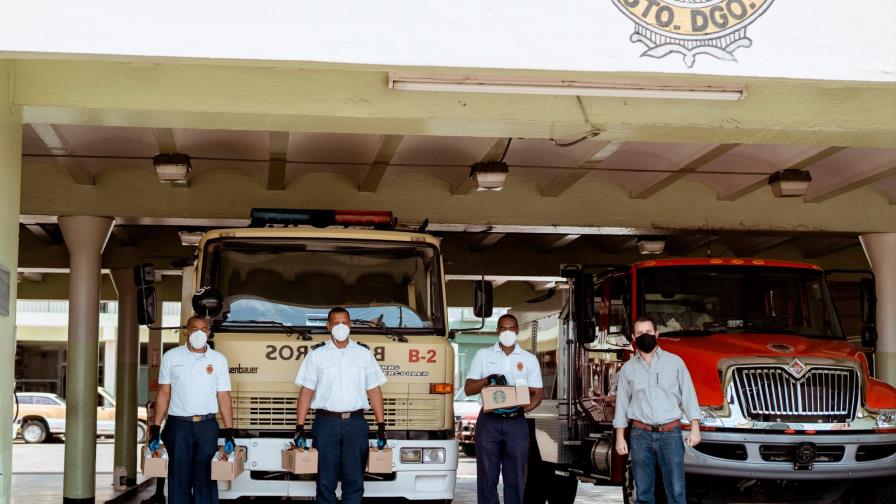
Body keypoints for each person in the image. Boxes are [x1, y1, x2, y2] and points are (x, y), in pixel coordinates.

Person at [293, 307, 388, 504]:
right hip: (326, 423)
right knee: (325, 481)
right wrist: (299, 428)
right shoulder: (317, 354)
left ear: (351, 325)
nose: (341, 327)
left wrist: (381, 426)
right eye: (336, 323)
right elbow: (306, 392)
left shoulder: (363, 353)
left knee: (354, 480)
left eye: (344, 322)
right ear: (328, 326)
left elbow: (374, 391)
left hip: (356, 423)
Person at [147, 315, 235, 504]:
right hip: (178, 426)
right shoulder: (171, 357)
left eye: (204, 329)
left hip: (207, 426)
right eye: (194, 328)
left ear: (209, 333)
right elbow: (163, 393)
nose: (199, 333)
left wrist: (229, 432)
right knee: (178, 477)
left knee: (206, 478)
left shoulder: (219, 360)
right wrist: (155, 428)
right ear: (186, 332)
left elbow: (224, 397)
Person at [614, 316, 701, 504]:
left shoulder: (675, 362)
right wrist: (620, 436)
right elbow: (621, 404)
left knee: (677, 492)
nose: (645, 336)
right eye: (640, 333)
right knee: (643, 493)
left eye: (648, 332)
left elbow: (689, 395)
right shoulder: (628, 369)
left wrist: (695, 427)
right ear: (633, 337)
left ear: (657, 334)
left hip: (670, 434)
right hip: (640, 435)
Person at [463, 313, 544, 504]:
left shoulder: (529, 359)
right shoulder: (483, 355)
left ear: (517, 330)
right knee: (486, 475)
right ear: (497, 330)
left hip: (516, 423)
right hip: (489, 421)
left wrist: (522, 411)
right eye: (503, 328)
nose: (507, 332)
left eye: (511, 328)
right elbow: (468, 389)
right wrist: (488, 379)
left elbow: (538, 393)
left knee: (516, 474)